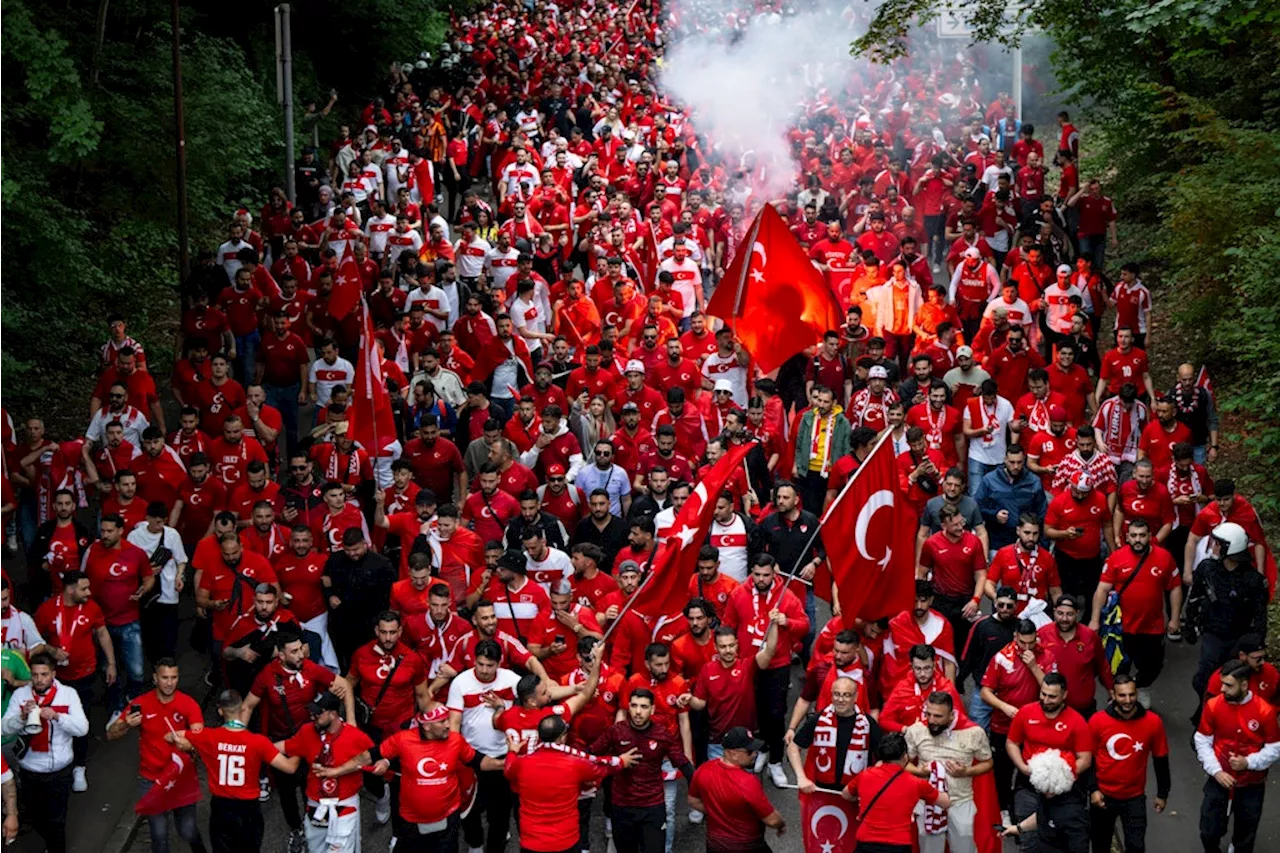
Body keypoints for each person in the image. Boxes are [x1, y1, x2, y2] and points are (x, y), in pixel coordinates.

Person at [170, 690, 300, 853]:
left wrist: (187, 746)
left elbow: (172, 736)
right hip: (248, 809)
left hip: (221, 808)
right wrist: (298, 746)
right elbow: (290, 767)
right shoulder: (258, 742)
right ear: (242, 710)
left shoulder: (209, 737)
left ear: (220, 710)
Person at [107, 658, 206, 853]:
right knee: (159, 836)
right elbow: (111, 734)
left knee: (187, 831)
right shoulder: (141, 704)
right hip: (151, 779)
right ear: (155, 678)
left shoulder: (188, 704)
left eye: (174, 678)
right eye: (164, 678)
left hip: (181, 777)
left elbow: (200, 738)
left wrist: (188, 744)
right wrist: (125, 723)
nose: (169, 683)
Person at [33, 570, 115, 792]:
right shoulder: (47, 609)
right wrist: (51, 650)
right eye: (83, 588)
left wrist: (111, 663)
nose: (88, 592)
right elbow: (35, 642)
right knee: (53, 719)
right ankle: (53, 762)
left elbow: (103, 634)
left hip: (85, 675)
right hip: (55, 680)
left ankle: (79, 766)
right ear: (69, 589)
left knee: (81, 721)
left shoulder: (92, 607)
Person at [504, 715, 634, 853]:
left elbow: (508, 771)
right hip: (565, 841)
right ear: (562, 738)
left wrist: (512, 751)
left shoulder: (522, 764)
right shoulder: (575, 764)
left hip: (531, 842)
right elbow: (601, 769)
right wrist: (621, 762)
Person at [0, 652, 89, 853]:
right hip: (30, 769)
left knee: (57, 821)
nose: (39, 680)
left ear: (53, 674)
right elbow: (3, 728)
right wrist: (21, 718)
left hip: (60, 770)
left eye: (44, 674)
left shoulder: (68, 694)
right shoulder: (21, 695)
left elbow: (82, 728)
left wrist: (58, 717)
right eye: (35, 674)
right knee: (34, 818)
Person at [1089, 519, 1182, 706]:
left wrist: (1175, 618)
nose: (1138, 539)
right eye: (1133, 535)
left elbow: (1175, 587)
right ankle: (1118, 696)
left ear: (1149, 537)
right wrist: (1094, 619)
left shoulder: (1164, 558)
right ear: (1127, 537)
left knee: (1153, 665)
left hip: (1152, 625)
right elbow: (1102, 590)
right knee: (1118, 666)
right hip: (1121, 626)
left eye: (1142, 535)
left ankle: (1141, 688)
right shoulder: (1116, 558)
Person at [590, 688, 694, 853]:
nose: (638, 712)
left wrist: (702, 790)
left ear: (652, 709)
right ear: (628, 707)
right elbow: (591, 756)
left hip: (652, 807)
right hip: (622, 806)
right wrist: (617, 761)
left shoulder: (662, 734)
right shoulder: (616, 731)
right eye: (634, 706)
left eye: (644, 707)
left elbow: (682, 763)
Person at [786, 675, 882, 853]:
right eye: (836, 694)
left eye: (846, 695)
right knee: (822, 845)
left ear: (855, 697)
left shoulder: (868, 723)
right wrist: (801, 777)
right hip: (824, 795)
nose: (840, 699)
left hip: (855, 797)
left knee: (851, 846)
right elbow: (793, 747)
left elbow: (884, 758)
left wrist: (868, 785)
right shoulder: (819, 719)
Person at [1194, 659, 1280, 853]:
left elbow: (1275, 747)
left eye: (1228, 685)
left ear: (1244, 684)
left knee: (1245, 836)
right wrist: (1216, 771)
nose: (1222, 689)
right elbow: (1202, 740)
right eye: (1222, 683)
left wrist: (1249, 762)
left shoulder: (1264, 711)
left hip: (1251, 784)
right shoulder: (1214, 705)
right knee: (1208, 831)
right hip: (1219, 780)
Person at [1183, 522, 1269, 715]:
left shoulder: (1253, 580)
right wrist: (1189, 623)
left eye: (1218, 544)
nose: (1213, 547)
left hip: (1239, 638)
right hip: (1213, 634)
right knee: (1203, 678)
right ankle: (1206, 712)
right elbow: (1194, 597)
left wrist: (1257, 644)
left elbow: (1260, 614)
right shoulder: (1206, 569)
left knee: (1236, 680)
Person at [277, 691, 374, 853]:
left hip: (344, 806)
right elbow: (284, 746)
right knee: (315, 850)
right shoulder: (307, 732)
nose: (313, 716)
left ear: (333, 714)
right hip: (316, 805)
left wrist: (341, 770)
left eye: (318, 713)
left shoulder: (355, 736)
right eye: (312, 712)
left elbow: (377, 761)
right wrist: (253, 747)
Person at [1005, 673, 1092, 853]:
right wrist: (1022, 766)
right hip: (1028, 785)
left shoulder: (1077, 721)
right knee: (1027, 840)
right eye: (1043, 694)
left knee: (1055, 840)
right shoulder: (1026, 712)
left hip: (1061, 791)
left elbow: (1085, 759)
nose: (1046, 699)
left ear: (1064, 695)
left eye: (1052, 696)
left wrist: (1059, 779)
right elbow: (1012, 742)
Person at [1088, 674, 1170, 853]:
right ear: (1113, 695)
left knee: (1136, 846)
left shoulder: (1153, 722)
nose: (1127, 700)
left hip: (1134, 797)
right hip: (1103, 796)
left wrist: (1163, 794)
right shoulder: (1098, 721)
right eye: (1122, 695)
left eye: (1131, 695)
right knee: (1099, 845)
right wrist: (1093, 789)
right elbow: (1088, 759)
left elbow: (1161, 759)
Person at [903, 691, 994, 853]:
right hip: (928, 803)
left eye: (938, 716)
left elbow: (987, 762)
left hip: (960, 801)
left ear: (951, 715)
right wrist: (918, 771)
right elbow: (902, 763)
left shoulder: (974, 733)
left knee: (964, 850)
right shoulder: (916, 730)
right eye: (928, 714)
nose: (931, 720)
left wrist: (967, 771)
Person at [848, 732, 950, 853]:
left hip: (865, 842)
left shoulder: (865, 775)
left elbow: (846, 794)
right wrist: (936, 774)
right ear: (905, 757)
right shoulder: (916, 783)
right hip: (898, 844)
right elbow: (945, 802)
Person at [688, 727, 785, 853]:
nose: (755, 754)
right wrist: (781, 825)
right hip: (747, 845)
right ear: (732, 753)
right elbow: (772, 820)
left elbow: (693, 801)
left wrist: (718, 814)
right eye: (749, 751)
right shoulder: (747, 782)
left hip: (715, 843)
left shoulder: (703, 770)